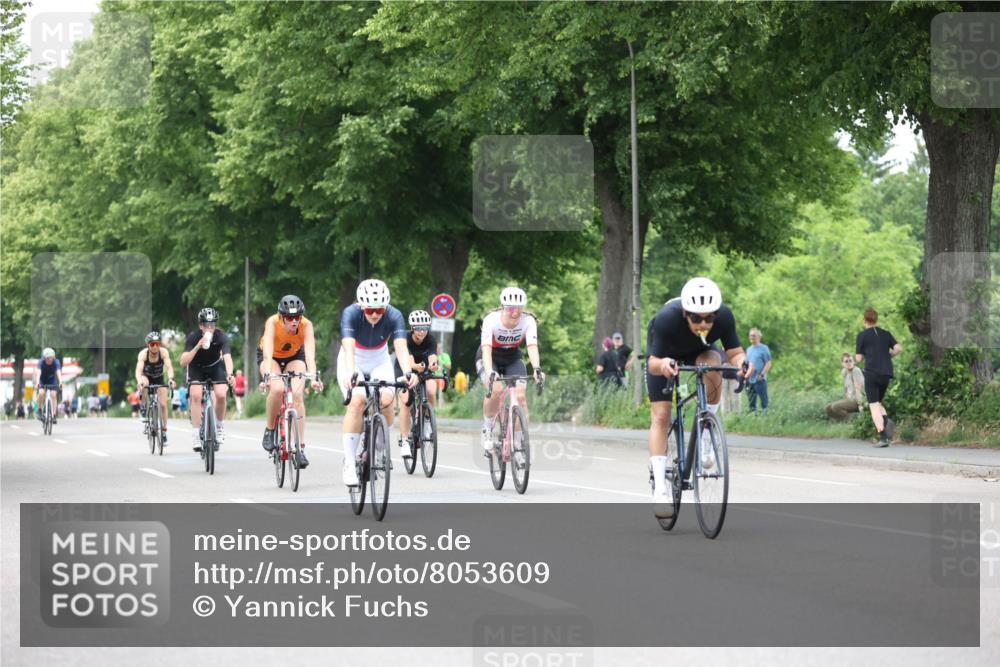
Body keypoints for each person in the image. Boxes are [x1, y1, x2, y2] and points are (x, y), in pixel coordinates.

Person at [645, 277, 752, 520]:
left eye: (709, 318)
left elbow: (734, 352)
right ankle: (661, 489)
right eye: (696, 318)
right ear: (685, 313)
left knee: (713, 363)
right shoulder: (666, 319)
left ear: (716, 314)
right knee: (661, 416)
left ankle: (706, 429)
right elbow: (652, 362)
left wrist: (743, 363)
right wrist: (663, 364)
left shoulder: (724, 317)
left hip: (700, 352)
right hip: (665, 357)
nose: (703, 323)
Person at [337, 279, 417, 487]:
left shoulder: (395, 315)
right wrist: (351, 371)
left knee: (387, 400)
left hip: (379, 360)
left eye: (379, 309)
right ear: (362, 306)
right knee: (358, 400)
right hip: (352, 358)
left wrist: (408, 371)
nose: (374, 314)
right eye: (370, 309)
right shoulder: (350, 314)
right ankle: (349, 461)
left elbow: (400, 347)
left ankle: (380, 448)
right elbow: (348, 346)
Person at [477, 287, 545, 457]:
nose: (516, 313)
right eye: (511, 308)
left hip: (512, 357)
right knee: (496, 390)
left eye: (519, 308)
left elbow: (532, 347)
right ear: (503, 307)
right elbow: (486, 350)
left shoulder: (528, 321)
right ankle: (487, 428)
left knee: (521, 397)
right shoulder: (491, 320)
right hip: (489, 357)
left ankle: (520, 443)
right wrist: (490, 372)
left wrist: (537, 369)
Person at [258, 295, 323, 468]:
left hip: (295, 356)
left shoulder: (306, 325)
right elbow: (268, 352)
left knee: (297, 395)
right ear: (281, 317)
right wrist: (267, 375)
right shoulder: (272, 322)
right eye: (289, 318)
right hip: (272, 357)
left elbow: (309, 354)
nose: (294, 321)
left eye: (297, 318)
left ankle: (300, 448)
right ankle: (270, 429)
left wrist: (314, 376)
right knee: (278, 389)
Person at [179, 307, 234, 452]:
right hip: (196, 367)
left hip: (215, 366)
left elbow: (227, 357)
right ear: (200, 325)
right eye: (206, 325)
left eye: (212, 325)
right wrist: (198, 346)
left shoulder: (221, 336)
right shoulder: (193, 336)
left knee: (221, 393)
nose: (209, 328)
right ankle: (196, 434)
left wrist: (230, 374)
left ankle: (220, 426)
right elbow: (183, 362)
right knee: (196, 395)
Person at [395, 310, 439, 461]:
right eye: (419, 328)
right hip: (404, 368)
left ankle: (427, 420)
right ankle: (405, 440)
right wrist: (415, 367)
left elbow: (433, 357)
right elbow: (409, 360)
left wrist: (433, 364)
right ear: (412, 328)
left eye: (425, 328)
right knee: (406, 402)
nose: (422, 332)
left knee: (432, 390)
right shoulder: (405, 338)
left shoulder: (431, 340)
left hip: (422, 368)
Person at [856, 307, 902, 447]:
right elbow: (899, 348)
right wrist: (889, 355)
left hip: (871, 373)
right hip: (885, 374)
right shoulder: (886, 334)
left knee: (874, 406)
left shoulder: (862, 336)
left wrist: (865, 355)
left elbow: (858, 359)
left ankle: (882, 438)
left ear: (865, 320)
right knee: (879, 403)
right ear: (876, 320)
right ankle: (887, 428)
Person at [135, 331, 177, 444]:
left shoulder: (163, 353)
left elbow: (169, 367)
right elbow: (138, 371)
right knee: (145, 384)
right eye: (152, 344)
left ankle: (163, 432)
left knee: (163, 405)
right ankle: (144, 408)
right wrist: (139, 382)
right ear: (147, 345)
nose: (155, 347)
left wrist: (171, 379)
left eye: (157, 344)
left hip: (159, 378)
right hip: (146, 376)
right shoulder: (143, 354)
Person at [826, 353, 867, 421]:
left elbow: (859, 389)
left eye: (850, 360)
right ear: (842, 364)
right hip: (851, 399)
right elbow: (848, 388)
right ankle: (841, 422)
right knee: (828, 408)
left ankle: (851, 421)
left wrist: (861, 404)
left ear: (854, 362)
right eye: (846, 361)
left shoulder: (856, 371)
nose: (849, 363)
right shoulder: (845, 372)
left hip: (859, 399)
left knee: (835, 407)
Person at [745, 327, 773, 415]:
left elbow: (768, 364)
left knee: (764, 401)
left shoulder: (764, 348)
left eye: (753, 335)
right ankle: (753, 417)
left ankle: (765, 417)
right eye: (750, 335)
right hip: (750, 380)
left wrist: (761, 375)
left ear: (759, 337)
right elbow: (747, 364)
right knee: (751, 402)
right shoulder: (748, 349)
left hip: (760, 379)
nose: (751, 337)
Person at [32, 348, 63, 424]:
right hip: (42, 380)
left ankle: (54, 415)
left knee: (53, 394)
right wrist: (37, 383)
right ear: (44, 358)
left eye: (51, 358)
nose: (49, 360)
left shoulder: (56, 362)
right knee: (41, 393)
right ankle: (40, 410)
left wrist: (61, 382)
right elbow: (38, 373)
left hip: (52, 380)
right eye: (47, 359)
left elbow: (58, 372)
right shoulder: (41, 362)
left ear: (53, 357)